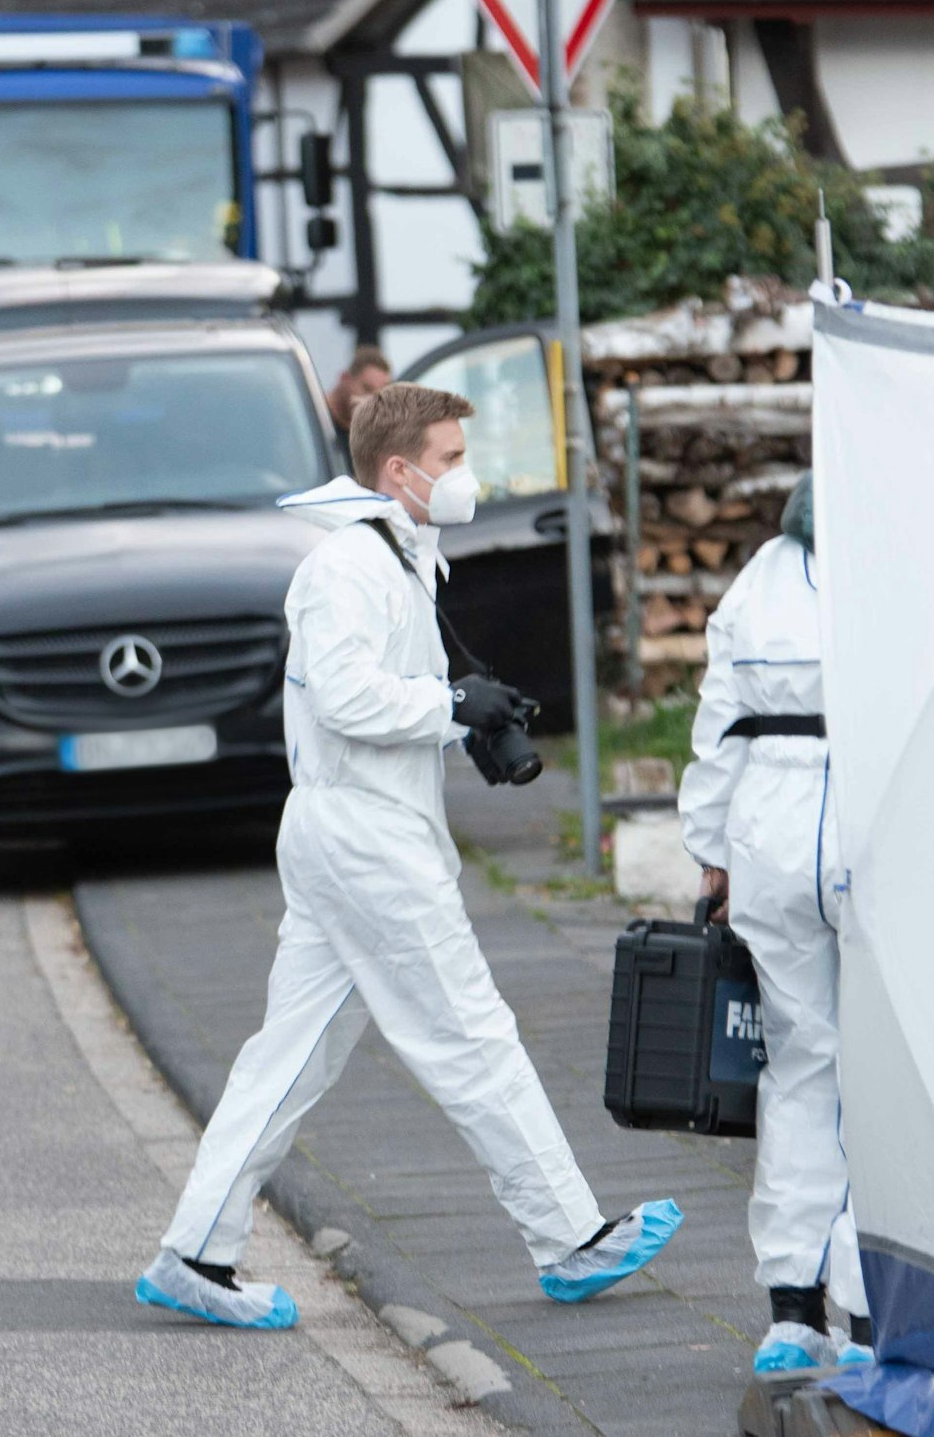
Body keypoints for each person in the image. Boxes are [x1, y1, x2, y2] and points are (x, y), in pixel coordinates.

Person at [137, 382, 682, 1331]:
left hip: (352, 833)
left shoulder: (396, 555)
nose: (466, 476)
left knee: (289, 1060)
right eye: (452, 458)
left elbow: (377, 695)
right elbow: (347, 698)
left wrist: (459, 718)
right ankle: (566, 1237)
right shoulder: (349, 567)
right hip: (365, 839)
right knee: (470, 1034)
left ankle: (194, 1251)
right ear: (400, 471)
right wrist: (447, 710)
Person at [678, 473, 871, 1375]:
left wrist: (710, 851)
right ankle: (868, 1312)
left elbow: (719, 728)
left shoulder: (758, 578)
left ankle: (791, 1310)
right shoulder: (901, 564)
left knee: (798, 1065)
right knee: (887, 1082)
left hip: (771, 831)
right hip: (873, 822)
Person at [324, 345, 390, 442]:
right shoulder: (308, 415)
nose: (370, 400)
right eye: (367, 389)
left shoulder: (364, 439)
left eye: (378, 396)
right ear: (345, 378)